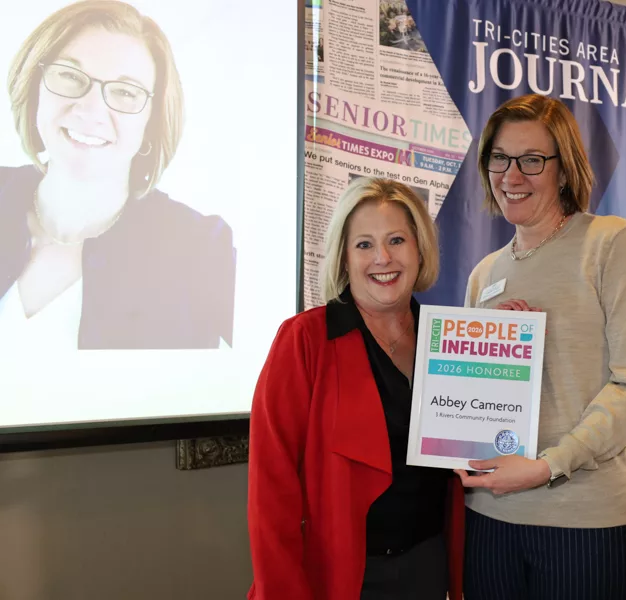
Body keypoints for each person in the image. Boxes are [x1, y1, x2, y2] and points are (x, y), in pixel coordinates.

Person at [455, 94, 626, 599]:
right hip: (490, 521)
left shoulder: (611, 242)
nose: (512, 175)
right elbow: (470, 403)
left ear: (565, 168)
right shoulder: (484, 273)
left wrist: (548, 465)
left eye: (532, 160)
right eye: (500, 158)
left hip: (587, 523)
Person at [247, 177, 465, 600]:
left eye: (397, 240)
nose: (383, 257)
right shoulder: (304, 340)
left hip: (427, 567)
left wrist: (513, 341)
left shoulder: (449, 340)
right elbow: (270, 491)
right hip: (338, 577)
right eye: (364, 244)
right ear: (345, 259)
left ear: (420, 250)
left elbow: (476, 452)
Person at [0, 0, 235, 350]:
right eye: (70, 75)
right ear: (35, 87)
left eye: (126, 92)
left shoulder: (197, 248)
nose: (91, 110)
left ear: (152, 121)